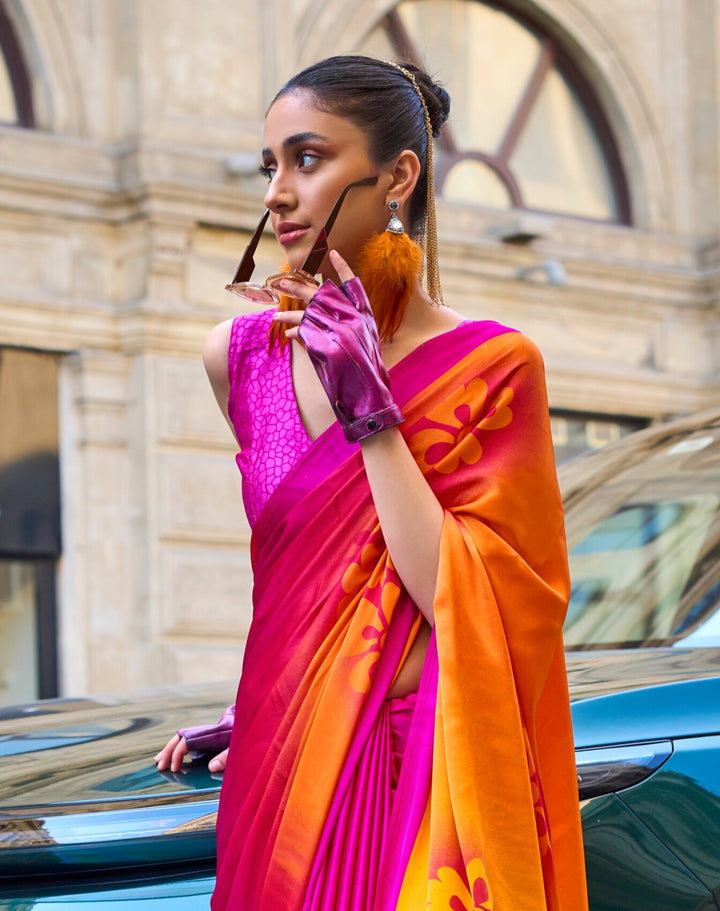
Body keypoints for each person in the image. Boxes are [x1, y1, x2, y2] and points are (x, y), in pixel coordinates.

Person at [155, 55, 588, 911]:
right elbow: (311, 593)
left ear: (398, 176)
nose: (277, 191)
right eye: (268, 164)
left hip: (409, 780)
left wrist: (372, 410)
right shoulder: (237, 359)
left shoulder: (496, 368)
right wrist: (280, 693)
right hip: (284, 771)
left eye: (307, 160)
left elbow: (470, 603)